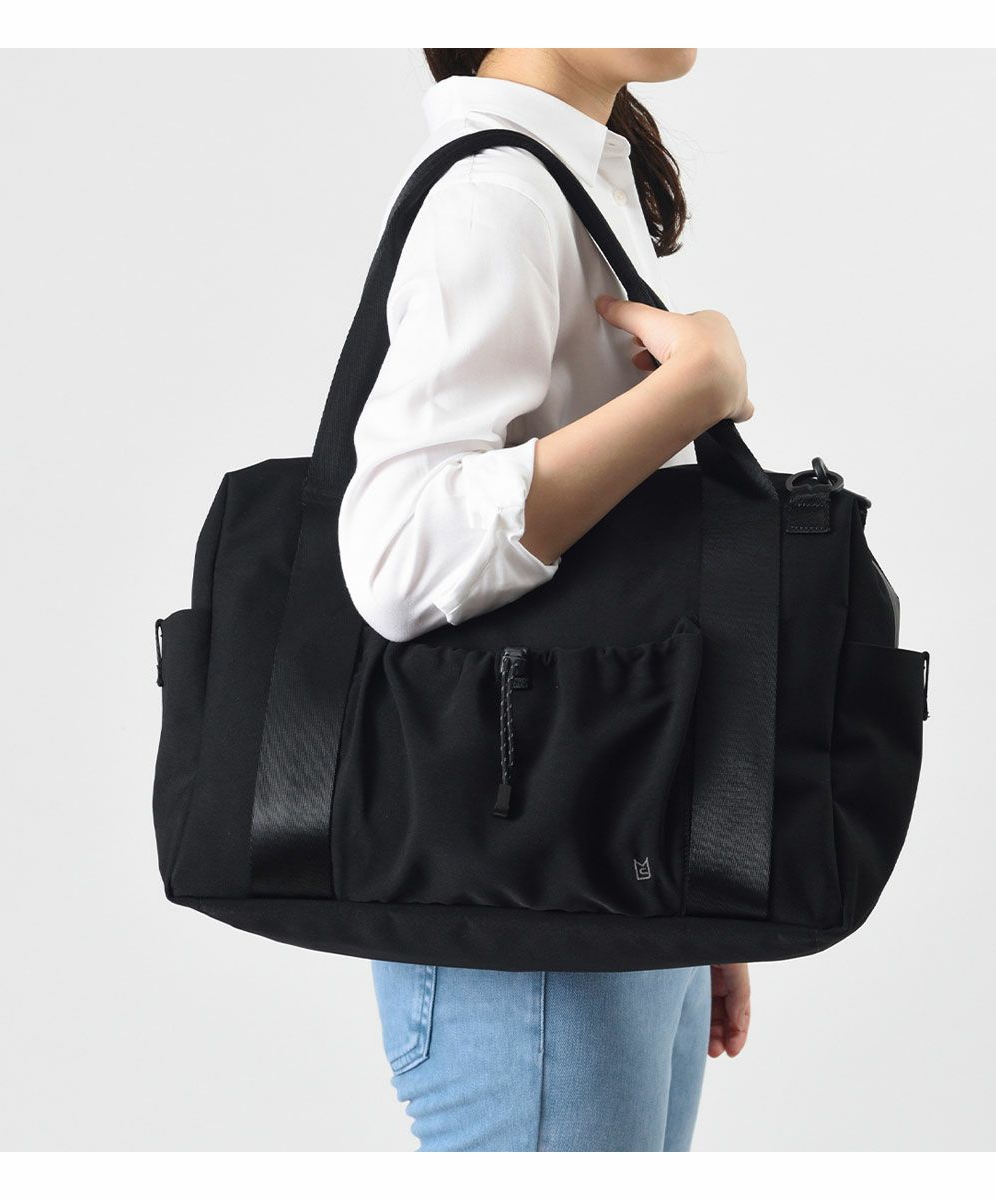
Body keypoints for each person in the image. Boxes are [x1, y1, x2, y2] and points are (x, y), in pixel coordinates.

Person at [339, 48, 754, 1153]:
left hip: (606, 862)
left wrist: (692, 859)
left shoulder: (571, 179)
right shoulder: (499, 196)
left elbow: (621, 586)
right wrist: (692, 395)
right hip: (524, 909)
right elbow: (398, 558)